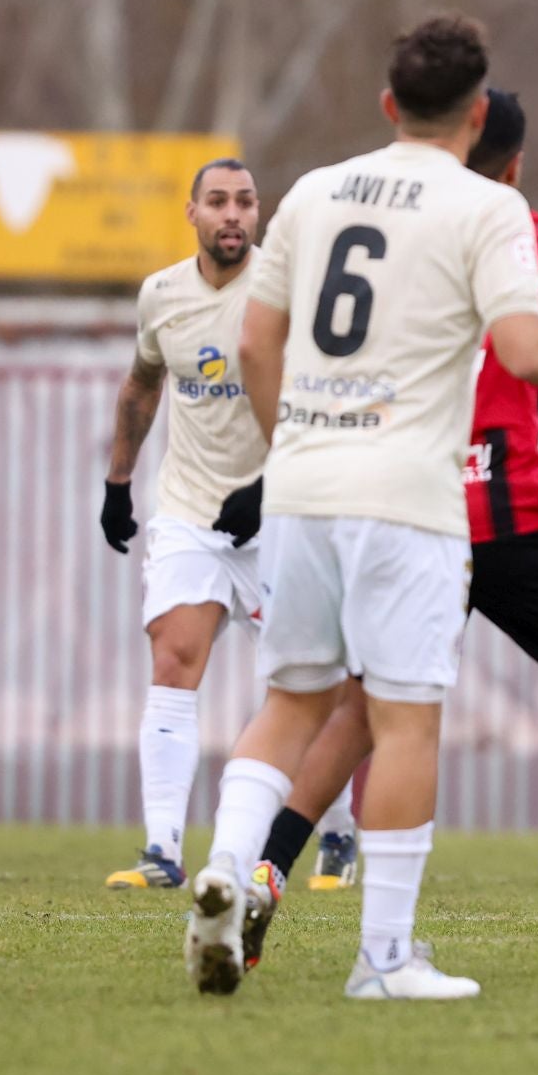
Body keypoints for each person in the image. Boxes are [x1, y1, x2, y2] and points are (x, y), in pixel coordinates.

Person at [180, 17, 538, 1002]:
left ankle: (238, 868)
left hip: (310, 486)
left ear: (387, 104)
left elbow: (255, 344)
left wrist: (293, 444)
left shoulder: (313, 191)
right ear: (480, 116)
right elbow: (536, 350)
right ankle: (392, 957)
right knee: (419, 719)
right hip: (431, 498)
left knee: (303, 704)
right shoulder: (493, 212)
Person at [98, 159, 357, 887]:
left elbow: (324, 395)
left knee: (305, 682)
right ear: (193, 213)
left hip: (282, 512)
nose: (233, 214)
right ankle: (162, 850)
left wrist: (270, 481)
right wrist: (119, 481)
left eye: (245, 201)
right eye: (218, 201)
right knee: (175, 658)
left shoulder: (284, 288)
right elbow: (143, 384)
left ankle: (336, 831)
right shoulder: (162, 295)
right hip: (189, 510)